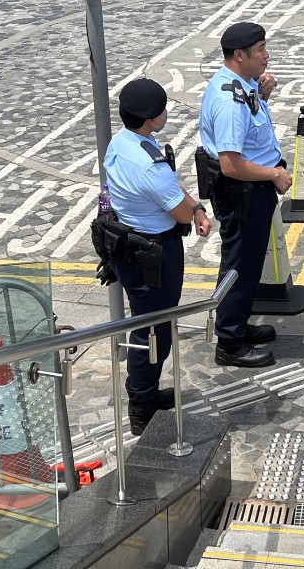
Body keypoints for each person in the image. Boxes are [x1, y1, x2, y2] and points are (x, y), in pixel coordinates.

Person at [102, 78, 211, 435]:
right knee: (153, 331)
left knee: (147, 325)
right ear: (152, 120)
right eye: (162, 111)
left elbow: (173, 195)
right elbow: (177, 212)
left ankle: (145, 393)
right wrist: (192, 210)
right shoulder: (150, 164)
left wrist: (192, 205)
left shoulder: (122, 143)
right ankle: (142, 402)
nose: (165, 115)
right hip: (154, 252)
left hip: (130, 244)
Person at [199, 22, 289, 368]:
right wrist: (274, 174)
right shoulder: (229, 100)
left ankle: (238, 324)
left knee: (250, 263)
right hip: (244, 191)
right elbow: (231, 164)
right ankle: (229, 340)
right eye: (261, 50)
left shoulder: (242, 86)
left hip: (253, 190)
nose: (266, 56)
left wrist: (262, 94)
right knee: (239, 264)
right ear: (239, 55)